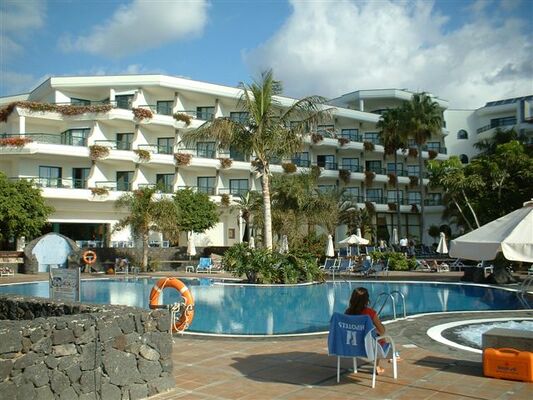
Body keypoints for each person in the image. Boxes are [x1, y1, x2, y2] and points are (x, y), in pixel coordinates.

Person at [345, 287, 389, 375]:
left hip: (352, 346)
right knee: (380, 337)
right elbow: (382, 330)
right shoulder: (370, 313)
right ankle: (376, 366)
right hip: (368, 348)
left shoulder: (347, 312)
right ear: (367, 300)